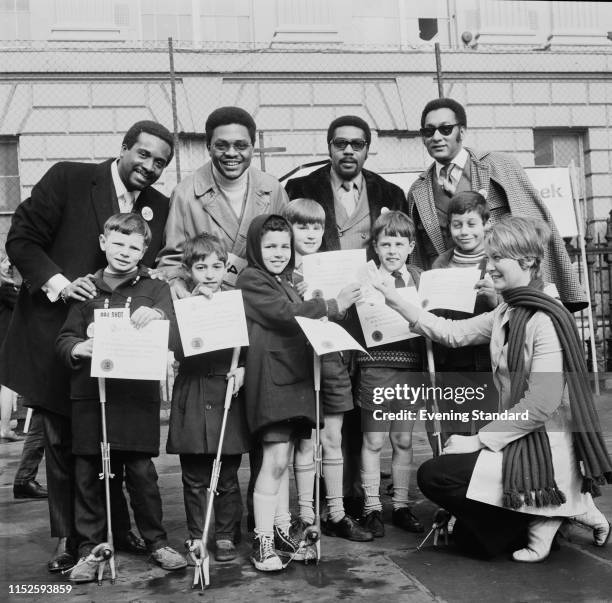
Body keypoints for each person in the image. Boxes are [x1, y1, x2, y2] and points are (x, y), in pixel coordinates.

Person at [375, 215, 611, 561]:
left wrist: (477, 439)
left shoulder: (545, 318)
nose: (490, 267)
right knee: (472, 538)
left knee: (437, 478)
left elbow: (540, 404)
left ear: (528, 261)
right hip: (518, 441)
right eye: (490, 258)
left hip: (543, 447)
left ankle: (548, 512)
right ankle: (558, 510)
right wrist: (395, 301)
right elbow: (453, 333)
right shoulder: (509, 310)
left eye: (498, 258)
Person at [0, 120, 174, 572]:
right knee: (62, 444)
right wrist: (61, 285)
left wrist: (156, 279)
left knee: (113, 444)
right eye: (144, 155)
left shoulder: (158, 205)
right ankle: (69, 538)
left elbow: (155, 264)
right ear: (124, 149)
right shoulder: (70, 178)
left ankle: (112, 531)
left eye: (160, 162)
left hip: (121, 351)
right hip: (59, 336)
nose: (150, 167)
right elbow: (21, 240)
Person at [285, 115, 409, 518]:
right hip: (326, 312)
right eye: (341, 144)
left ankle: (358, 493)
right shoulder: (301, 189)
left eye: (357, 144)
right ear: (329, 147)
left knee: (365, 407)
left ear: (367, 148)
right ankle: (331, 495)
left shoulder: (389, 191)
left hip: (371, 312)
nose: (349, 151)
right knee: (331, 409)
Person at [56, 213, 186, 582]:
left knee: (142, 475)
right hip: (90, 401)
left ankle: (156, 541)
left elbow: (175, 329)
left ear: (145, 250)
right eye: (118, 243)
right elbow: (64, 339)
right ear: (103, 242)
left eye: (134, 246)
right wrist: (80, 346)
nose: (125, 252)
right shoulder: (85, 290)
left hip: (134, 400)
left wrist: (158, 313)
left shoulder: (154, 287)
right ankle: (90, 549)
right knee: (88, 477)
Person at [236, 214, 361, 571]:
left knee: (284, 462)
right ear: (255, 248)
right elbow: (285, 315)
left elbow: (297, 313)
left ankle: (277, 534)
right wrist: (333, 305)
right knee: (274, 462)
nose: (278, 252)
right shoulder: (251, 278)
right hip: (273, 383)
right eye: (270, 246)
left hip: (294, 381)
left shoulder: (287, 281)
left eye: (284, 246)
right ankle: (262, 542)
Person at [408, 97, 586, 312]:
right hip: (451, 304)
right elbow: (417, 255)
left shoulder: (499, 166)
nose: (436, 137)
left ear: (462, 132)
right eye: (429, 131)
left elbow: (535, 232)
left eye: (445, 129)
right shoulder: (418, 191)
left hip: (507, 296)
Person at [282, 198, 372, 542]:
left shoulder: (338, 265)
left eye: (316, 226)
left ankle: (336, 513)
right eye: (302, 226)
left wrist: (351, 298)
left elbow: (349, 313)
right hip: (299, 361)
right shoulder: (284, 270)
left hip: (332, 357)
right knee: (306, 441)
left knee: (333, 437)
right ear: (288, 229)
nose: (310, 233)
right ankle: (306, 516)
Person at [166, 233, 251, 563]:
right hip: (192, 393)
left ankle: (227, 534)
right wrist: (190, 310)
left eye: (217, 266)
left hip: (226, 391)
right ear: (188, 269)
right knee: (194, 476)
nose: (211, 274)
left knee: (227, 474)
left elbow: (247, 345)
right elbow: (174, 345)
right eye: (202, 267)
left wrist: (243, 368)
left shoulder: (234, 302)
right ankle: (195, 535)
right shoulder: (181, 305)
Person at [156, 106, 288, 296]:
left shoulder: (272, 188)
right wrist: (177, 283)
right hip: (208, 301)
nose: (232, 153)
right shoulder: (185, 194)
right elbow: (171, 261)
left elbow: (287, 246)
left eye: (241, 145)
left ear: (252, 146)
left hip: (262, 301)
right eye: (222, 145)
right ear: (208, 147)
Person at [355, 211, 425, 538]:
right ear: (376, 247)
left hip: (409, 370)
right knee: (372, 440)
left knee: (403, 439)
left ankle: (400, 504)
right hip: (375, 368)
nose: (393, 250)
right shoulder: (366, 278)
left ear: (411, 246)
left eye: (399, 243)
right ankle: (371, 507)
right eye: (386, 244)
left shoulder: (421, 279)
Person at [430, 191, 498, 441]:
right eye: (457, 225)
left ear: (486, 224)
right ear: (449, 227)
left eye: (472, 224)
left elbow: (514, 307)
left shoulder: (496, 260)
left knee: (489, 424)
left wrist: (495, 299)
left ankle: (484, 476)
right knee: (454, 424)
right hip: (452, 359)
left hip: (488, 358)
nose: (464, 231)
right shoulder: (441, 263)